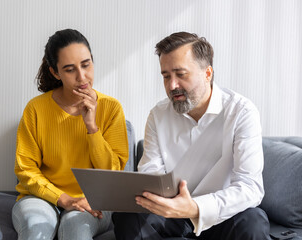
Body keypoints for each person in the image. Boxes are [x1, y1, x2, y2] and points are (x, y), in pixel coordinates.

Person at [113, 32, 271, 240]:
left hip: (221, 215)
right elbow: (151, 173)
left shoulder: (241, 111)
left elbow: (250, 188)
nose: (172, 86)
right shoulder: (158, 115)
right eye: (166, 76)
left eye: (181, 74)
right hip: (171, 214)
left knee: (253, 222)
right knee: (127, 218)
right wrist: (167, 202)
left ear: (207, 73)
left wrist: (195, 207)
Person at [12, 29, 129, 240]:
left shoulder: (111, 108)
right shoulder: (36, 109)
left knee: (77, 230)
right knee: (35, 228)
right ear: (55, 72)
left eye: (86, 65)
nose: (82, 77)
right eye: (69, 69)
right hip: (40, 197)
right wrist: (63, 199)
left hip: (94, 200)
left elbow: (112, 174)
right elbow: (25, 169)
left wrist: (92, 127)